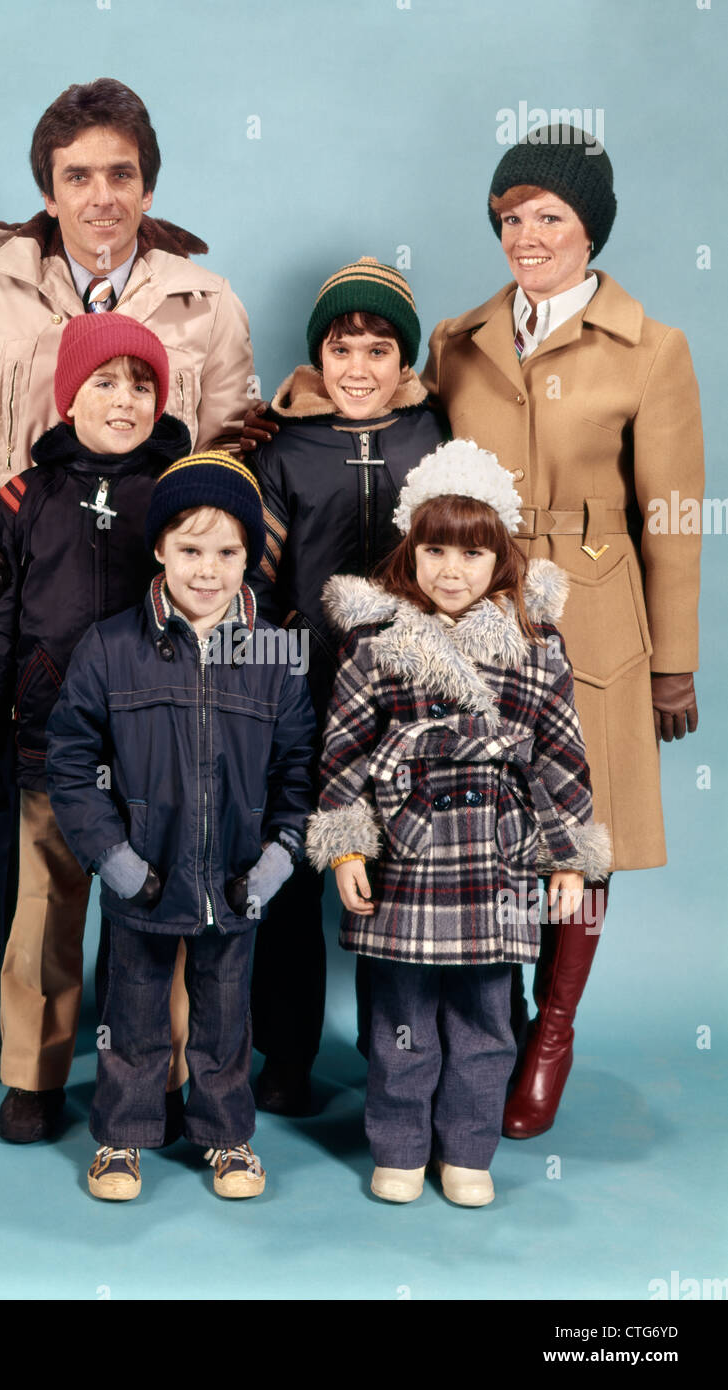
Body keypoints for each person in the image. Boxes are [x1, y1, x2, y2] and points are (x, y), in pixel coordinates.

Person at [0, 78, 254, 1080]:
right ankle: (23, 1037)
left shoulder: (204, 297)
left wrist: (212, 565)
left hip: (157, 612)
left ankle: (147, 1049)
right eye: (78, 176)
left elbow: (232, 440)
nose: (101, 194)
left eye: (122, 173)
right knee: (35, 830)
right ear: (48, 191)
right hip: (37, 596)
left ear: (147, 186)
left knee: (162, 821)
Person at [421, 125, 704, 1137]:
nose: (525, 236)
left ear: (591, 228)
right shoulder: (458, 339)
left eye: (548, 216)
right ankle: (491, 1019)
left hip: (598, 620)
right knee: (489, 824)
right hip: (479, 615)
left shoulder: (653, 349)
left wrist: (675, 662)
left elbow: (671, 512)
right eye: (509, 217)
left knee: (587, 836)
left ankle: (553, 1029)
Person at [306, 440, 611, 1205]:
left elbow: (560, 756)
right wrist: (346, 848)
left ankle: (467, 1152)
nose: (451, 570)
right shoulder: (374, 645)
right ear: (409, 552)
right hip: (409, 854)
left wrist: (568, 859)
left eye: (472, 554)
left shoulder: (537, 648)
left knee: (483, 1021)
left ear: (501, 558)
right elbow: (342, 752)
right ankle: (401, 1146)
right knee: (399, 1021)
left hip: (495, 855)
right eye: (434, 549)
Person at [45, 453, 316, 1200]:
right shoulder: (111, 647)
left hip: (235, 883)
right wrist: (112, 857)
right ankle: (121, 1140)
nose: (208, 570)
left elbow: (299, 771)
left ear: (249, 558)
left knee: (226, 1020)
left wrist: (280, 855)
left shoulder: (274, 655)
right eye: (190, 550)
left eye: (228, 552)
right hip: (145, 879)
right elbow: (69, 765)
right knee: (132, 1017)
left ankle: (226, 1137)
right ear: (159, 549)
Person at [0, 313, 191, 1142]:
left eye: (141, 385)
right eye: (104, 382)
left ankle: (160, 1074)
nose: (123, 401)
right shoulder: (26, 496)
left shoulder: (180, 488)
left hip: (154, 747)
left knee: (155, 916)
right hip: (50, 743)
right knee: (45, 911)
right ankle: (32, 1076)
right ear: (69, 394)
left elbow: (214, 603)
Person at [244, 257, 445, 1113]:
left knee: (399, 881)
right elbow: (257, 581)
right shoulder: (284, 449)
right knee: (291, 877)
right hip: (308, 695)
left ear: (403, 359)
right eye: (339, 348)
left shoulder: (433, 438)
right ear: (316, 359)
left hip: (410, 703)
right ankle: (284, 1052)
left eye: (376, 348)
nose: (357, 368)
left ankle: (396, 1058)